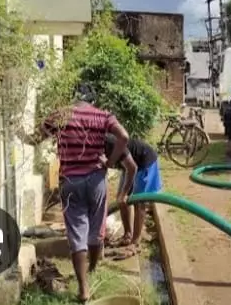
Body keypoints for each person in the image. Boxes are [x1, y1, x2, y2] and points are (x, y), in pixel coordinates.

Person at [17, 83, 129, 303]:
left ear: (74, 97)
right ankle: (94, 268)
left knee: (77, 234)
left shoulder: (60, 115)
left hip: (70, 181)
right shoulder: (103, 115)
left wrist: (19, 133)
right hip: (96, 179)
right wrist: (111, 161)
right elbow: (123, 136)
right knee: (97, 228)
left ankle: (84, 289)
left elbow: (34, 140)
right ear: (92, 100)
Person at [104, 133, 163, 259]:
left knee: (139, 203)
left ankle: (135, 244)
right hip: (129, 166)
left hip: (144, 162)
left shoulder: (109, 142)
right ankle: (127, 235)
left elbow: (133, 168)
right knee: (120, 201)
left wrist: (125, 193)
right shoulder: (91, 146)